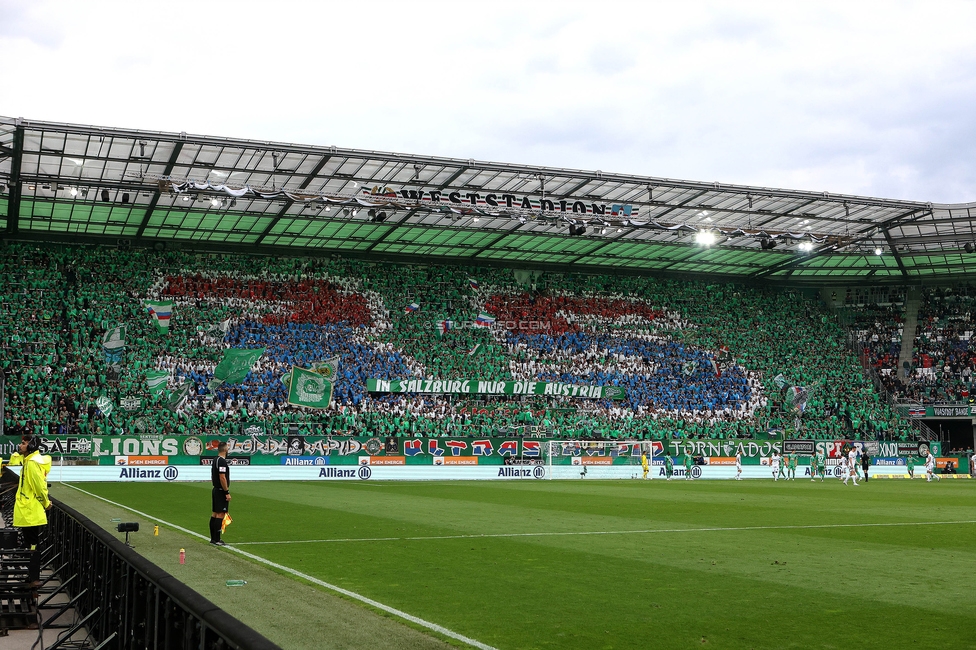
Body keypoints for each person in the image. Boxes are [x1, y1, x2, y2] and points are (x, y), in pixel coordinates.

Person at [9, 435, 52, 587]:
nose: (20, 446)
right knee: (30, 543)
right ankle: (31, 577)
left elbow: (39, 487)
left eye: (23, 443)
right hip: (28, 511)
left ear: (31, 446)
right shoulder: (29, 461)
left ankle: (34, 579)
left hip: (31, 511)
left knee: (33, 544)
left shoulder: (32, 464)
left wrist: (46, 503)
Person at [209, 442, 232, 546]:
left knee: (214, 514)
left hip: (215, 489)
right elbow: (222, 477)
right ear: (225, 449)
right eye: (227, 447)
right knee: (220, 514)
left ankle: (213, 538)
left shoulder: (215, 460)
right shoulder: (221, 461)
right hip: (220, 490)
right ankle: (217, 539)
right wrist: (226, 492)